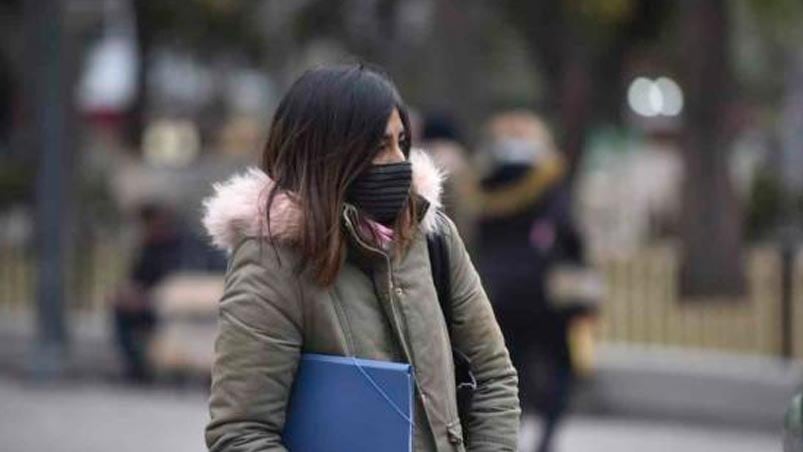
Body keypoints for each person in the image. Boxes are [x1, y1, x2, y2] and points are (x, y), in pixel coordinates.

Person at [201, 65, 520, 451]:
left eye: (402, 142)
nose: (398, 159)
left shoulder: (431, 237)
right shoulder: (271, 263)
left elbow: (493, 376)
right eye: (379, 147)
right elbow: (240, 434)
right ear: (328, 154)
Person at [475, 111, 596, 452]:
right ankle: (545, 440)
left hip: (499, 288)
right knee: (560, 366)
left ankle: (506, 437)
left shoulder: (487, 178)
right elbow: (567, 232)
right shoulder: (548, 177)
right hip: (548, 291)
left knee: (509, 370)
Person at [112, 202, 182, 383]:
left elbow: (179, 282)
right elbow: (137, 279)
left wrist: (147, 298)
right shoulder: (148, 249)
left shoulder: (180, 247)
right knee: (120, 313)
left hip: (169, 306)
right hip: (147, 305)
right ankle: (137, 368)